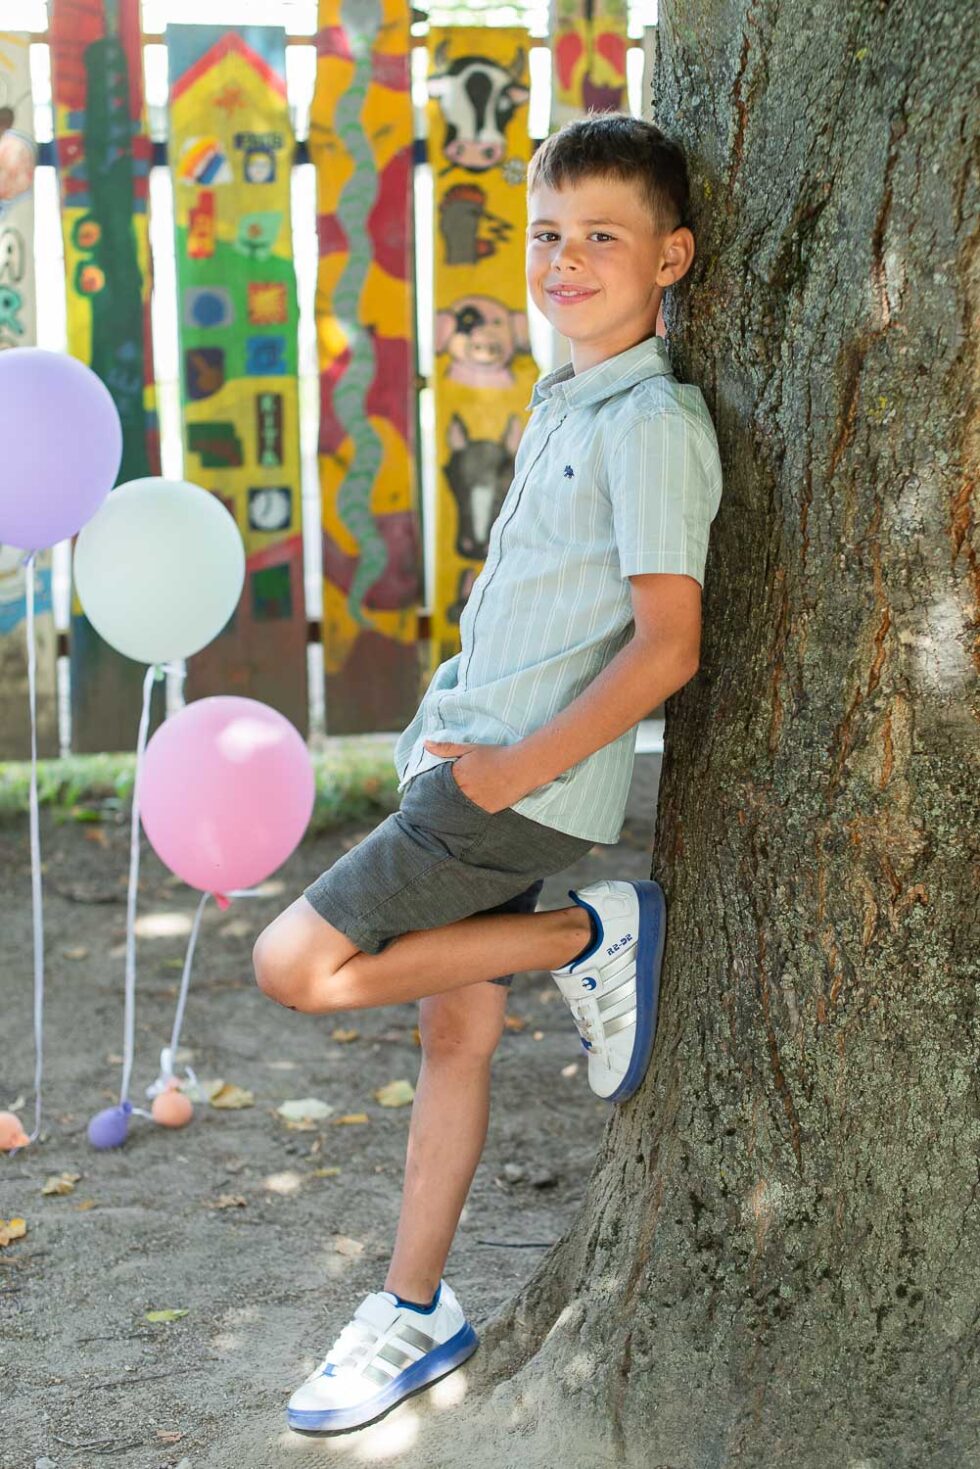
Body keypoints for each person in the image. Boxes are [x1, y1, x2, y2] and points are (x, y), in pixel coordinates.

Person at [252, 110, 723, 1436]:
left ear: (672, 257)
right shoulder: (565, 396)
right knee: (455, 1024)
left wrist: (506, 773)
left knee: (291, 965)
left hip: (503, 796)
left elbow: (668, 644)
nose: (566, 261)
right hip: (463, 769)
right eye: (550, 235)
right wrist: (457, 747)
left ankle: (590, 928)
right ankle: (413, 1307)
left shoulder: (650, 423)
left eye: (604, 239)